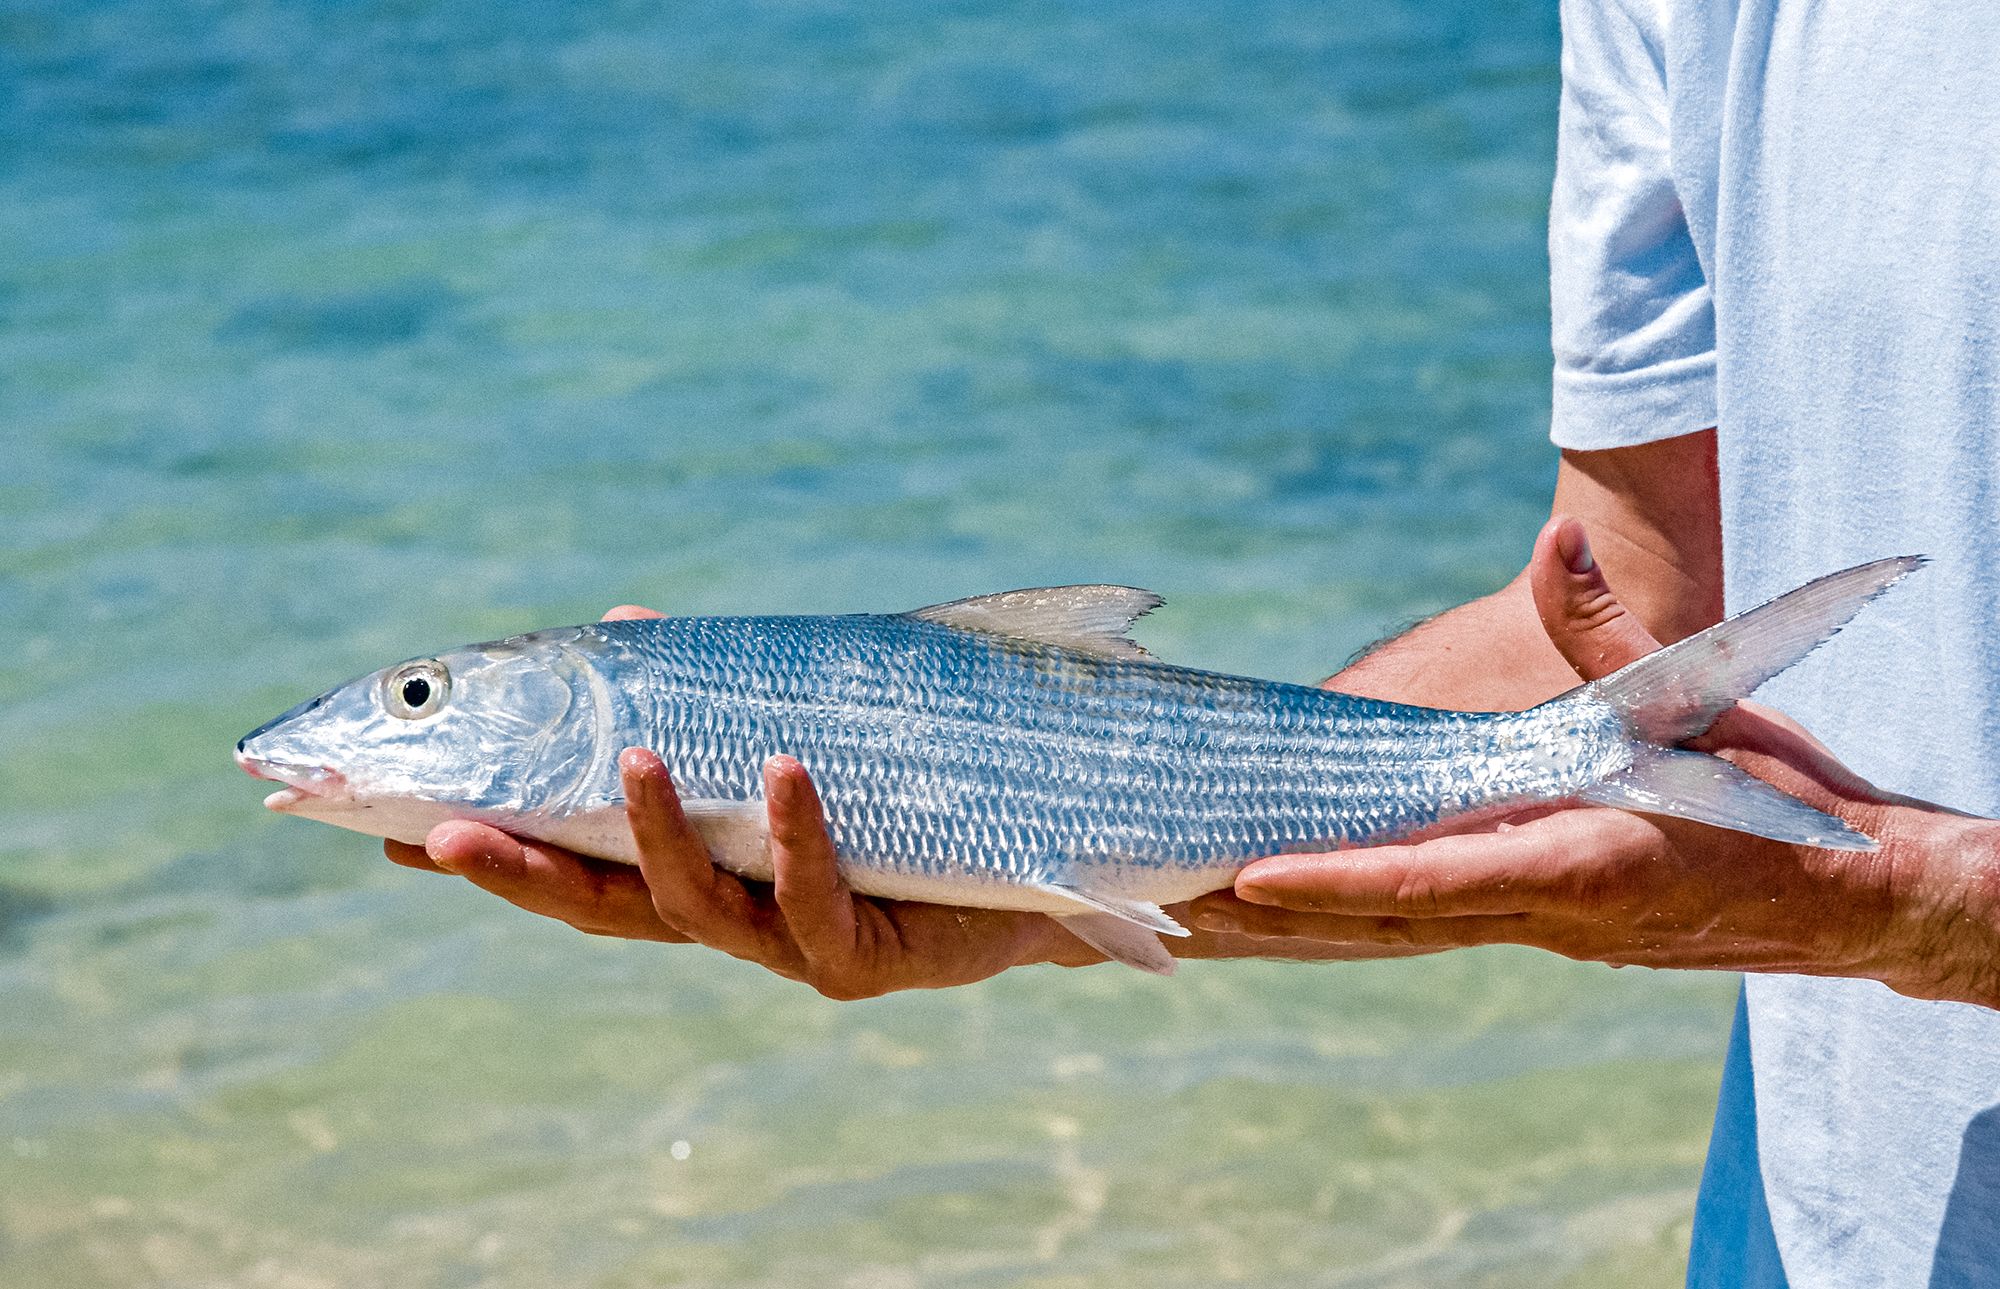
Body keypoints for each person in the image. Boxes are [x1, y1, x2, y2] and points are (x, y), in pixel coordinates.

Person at [386, 0, 2000, 1280]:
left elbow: (1845, 866)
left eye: (417, 699)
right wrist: (1031, 886)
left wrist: (1904, 907)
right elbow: (1634, 607)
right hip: (1820, 1196)